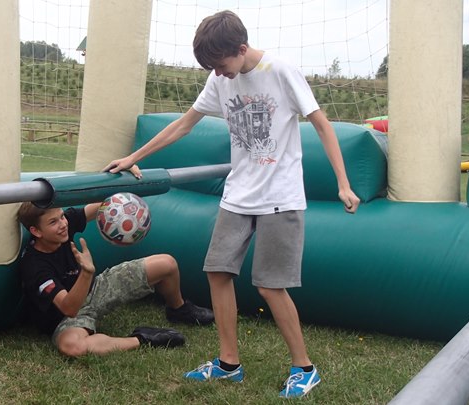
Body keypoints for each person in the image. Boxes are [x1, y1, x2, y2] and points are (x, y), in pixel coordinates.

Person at [103, 10, 360, 398]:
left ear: (241, 49)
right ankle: (228, 364)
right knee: (217, 273)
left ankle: (304, 368)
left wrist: (343, 183)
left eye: (221, 65)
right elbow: (184, 124)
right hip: (238, 195)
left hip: (280, 197)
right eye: (212, 68)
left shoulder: (281, 72)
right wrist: (134, 156)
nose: (218, 74)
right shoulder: (218, 77)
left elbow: (322, 124)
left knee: (270, 287)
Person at [16, 196, 214, 358]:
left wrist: (124, 175)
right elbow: (70, 308)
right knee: (73, 346)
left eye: (62, 216)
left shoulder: (64, 225)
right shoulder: (34, 266)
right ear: (36, 231)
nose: (63, 224)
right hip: (68, 317)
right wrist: (86, 272)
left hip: (96, 290)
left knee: (167, 264)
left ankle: (178, 309)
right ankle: (144, 338)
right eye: (54, 222)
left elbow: (102, 204)